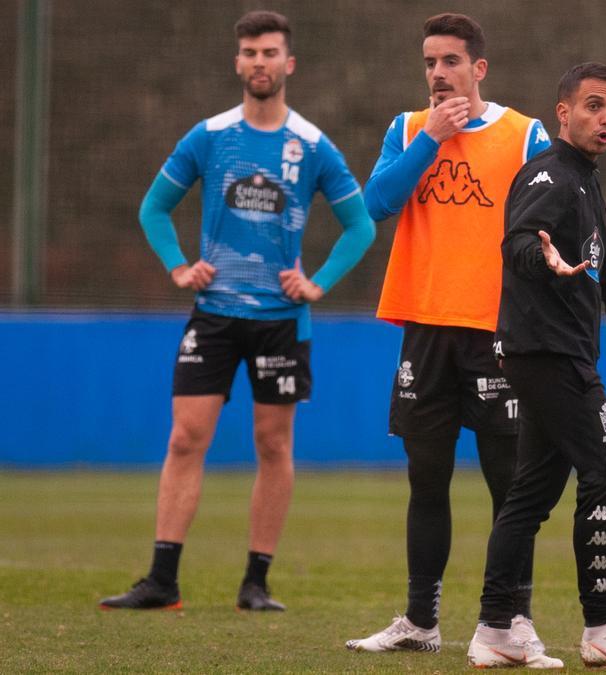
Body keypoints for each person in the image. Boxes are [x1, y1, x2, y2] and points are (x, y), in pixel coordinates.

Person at [99, 10, 375, 611]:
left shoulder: (312, 144)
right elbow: (153, 209)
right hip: (214, 315)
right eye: (249, 52)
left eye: (270, 52)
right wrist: (178, 266)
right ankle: (162, 580)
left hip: (281, 319)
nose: (259, 62)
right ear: (237, 62)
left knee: (273, 445)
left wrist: (318, 282)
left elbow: (359, 225)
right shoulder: (208, 136)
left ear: (288, 63)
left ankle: (256, 583)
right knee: (184, 439)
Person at [344, 13, 551, 654]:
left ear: (478, 68)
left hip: (497, 332)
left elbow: (555, 219)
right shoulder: (408, 130)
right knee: (425, 480)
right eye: (430, 62)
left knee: (510, 487)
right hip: (426, 328)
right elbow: (376, 204)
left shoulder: (525, 136)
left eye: (451, 61)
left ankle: (512, 620)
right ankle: (420, 622)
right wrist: (429, 140)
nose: (438, 73)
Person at [464, 62, 606, 671]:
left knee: (528, 496)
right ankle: (600, 625)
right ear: (564, 111)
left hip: (552, 353)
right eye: (593, 107)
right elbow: (518, 243)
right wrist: (541, 258)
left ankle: (494, 629)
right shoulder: (551, 175)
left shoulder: (584, 181)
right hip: (548, 355)